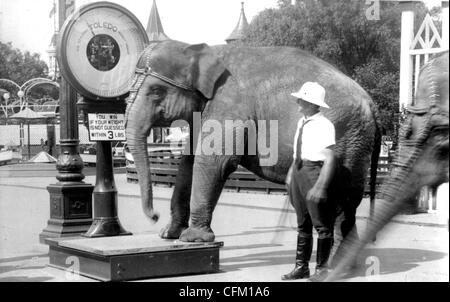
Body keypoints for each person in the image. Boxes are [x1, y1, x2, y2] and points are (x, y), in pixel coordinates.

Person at [282, 82, 338, 282]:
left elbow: (330, 157)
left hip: (314, 172)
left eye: (303, 99)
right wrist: (291, 174)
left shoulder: (325, 125)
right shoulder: (301, 122)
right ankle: (301, 267)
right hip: (299, 171)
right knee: (302, 223)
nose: (298, 101)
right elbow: (298, 153)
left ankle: (322, 269)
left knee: (321, 225)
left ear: (314, 104)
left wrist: (321, 186)